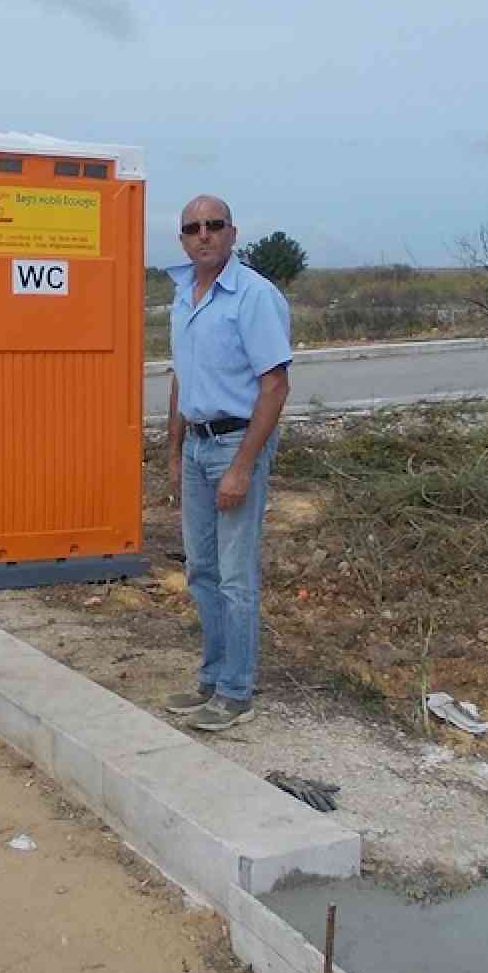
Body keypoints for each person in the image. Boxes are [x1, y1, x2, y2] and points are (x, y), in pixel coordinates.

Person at [163, 196, 292, 732]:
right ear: (182, 238)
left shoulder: (254, 296)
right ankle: (213, 678)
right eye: (193, 227)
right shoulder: (183, 296)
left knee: (236, 577)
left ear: (232, 233)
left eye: (214, 225)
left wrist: (242, 466)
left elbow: (275, 385)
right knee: (202, 570)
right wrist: (174, 451)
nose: (204, 234)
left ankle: (236, 692)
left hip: (236, 444)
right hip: (196, 446)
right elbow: (181, 377)